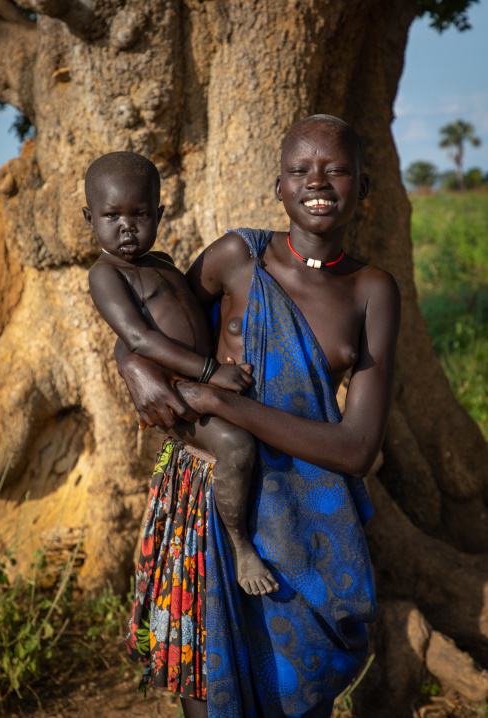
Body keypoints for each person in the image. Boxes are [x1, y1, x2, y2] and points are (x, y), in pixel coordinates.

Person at [119, 115, 401, 718]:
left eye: (336, 169)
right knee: (211, 689)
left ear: (364, 186)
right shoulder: (238, 257)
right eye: (300, 170)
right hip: (213, 502)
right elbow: (144, 324)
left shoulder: (372, 290)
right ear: (278, 188)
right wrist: (133, 369)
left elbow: (357, 449)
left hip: (309, 519)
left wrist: (224, 401)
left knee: (300, 692)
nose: (317, 182)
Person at [83, 151, 280, 597]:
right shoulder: (106, 276)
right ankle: (240, 545)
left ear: (160, 214)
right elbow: (139, 339)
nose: (127, 226)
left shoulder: (162, 262)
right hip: (175, 391)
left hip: (201, 378)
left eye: (141, 214)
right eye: (111, 215)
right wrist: (210, 371)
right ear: (89, 217)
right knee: (237, 443)